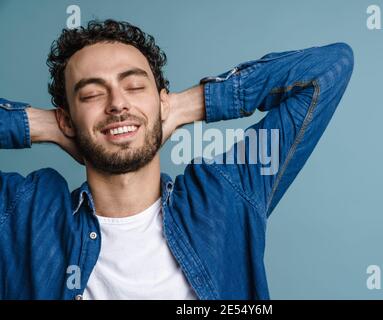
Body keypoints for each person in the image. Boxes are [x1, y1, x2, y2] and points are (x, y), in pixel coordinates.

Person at [0, 19, 353, 300]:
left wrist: (188, 105)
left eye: (136, 87)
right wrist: (44, 126)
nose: (117, 104)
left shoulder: (225, 195)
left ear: (161, 102)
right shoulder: (24, 214)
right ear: (67, 118)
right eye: (92, 94)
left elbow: (329, 68)